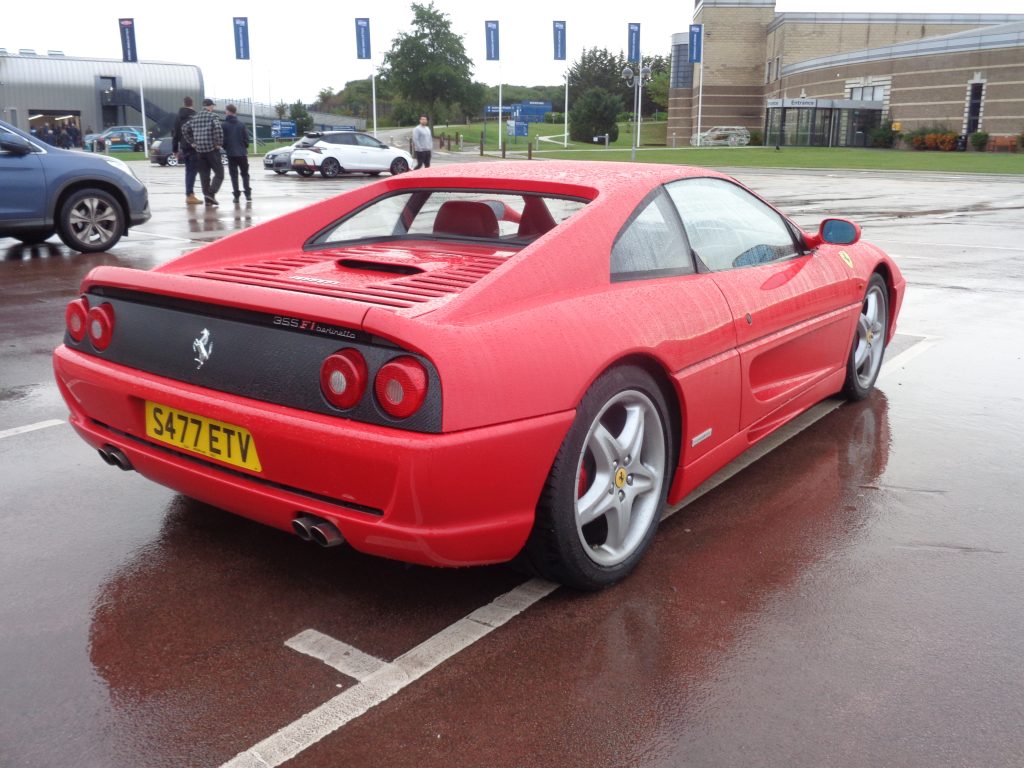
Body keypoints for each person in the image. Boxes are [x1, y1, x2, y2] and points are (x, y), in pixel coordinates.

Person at [183, 99, 225, 207]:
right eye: (212, 106)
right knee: (219, 174)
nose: (213, 108)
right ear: (210, 106)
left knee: (204, 176)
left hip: (200, 151)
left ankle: (208, 200)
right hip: (212, 150)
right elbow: (218, 129)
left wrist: (192, 142)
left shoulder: (194, 118)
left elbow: (184, 128)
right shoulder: (212, 116)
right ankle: (211, 194)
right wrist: (218, 143)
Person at [172, 97, 201, 205]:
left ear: (183, 103)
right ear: (192, 103)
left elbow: (175, 134)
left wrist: (175, 150)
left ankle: (189, 194)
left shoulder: (178, 117)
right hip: (193, 146)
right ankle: (190, 195)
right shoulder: (195, 116)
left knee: (188, 171)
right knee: (192, 171)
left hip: (183, 147)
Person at [221, 104, 251, 203]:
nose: (225, 112)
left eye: (226, 111)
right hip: (242, 153)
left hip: (231, 154)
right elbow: (247, 139)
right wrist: (243, 147)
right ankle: (248, 194)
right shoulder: (241, 124)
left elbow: (223, 140)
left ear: (229, 111)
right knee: (245, 174)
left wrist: (226, 148)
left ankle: (236, 196)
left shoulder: (224, 125)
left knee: (234, 175)